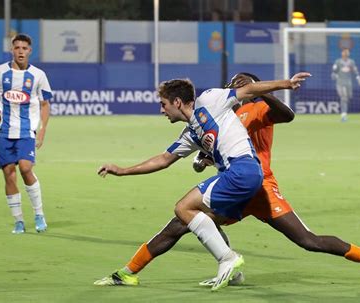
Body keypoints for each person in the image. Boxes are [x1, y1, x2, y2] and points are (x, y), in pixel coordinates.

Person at [94, 73, 360, 288]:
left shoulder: (251, 108)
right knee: (183, 220)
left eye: (240, 85)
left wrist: (276, 87)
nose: (234, 88)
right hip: (235, 182)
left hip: (258, 183)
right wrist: (201, 158)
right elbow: (166, 158)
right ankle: (129, 272)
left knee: (307, 241)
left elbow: (285, 115)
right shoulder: (206, 123)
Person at [96, 72, 311, 291]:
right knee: (190, 221)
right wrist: (122, 171)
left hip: (242, 172)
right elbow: (163, 160)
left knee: (183, 208)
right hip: (238, 177)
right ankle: (128, 273)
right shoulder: (191, 133)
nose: (161, 110)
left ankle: (227, 259)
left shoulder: (210, 100)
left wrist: (286, 83)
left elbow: (249, 90)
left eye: (163, 104)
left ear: (177, 102)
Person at [0, 33, 52, 234]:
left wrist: (42, 131)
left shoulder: (38, 75)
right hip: (2, 132)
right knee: (9, 175)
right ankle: (18, 220)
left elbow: (45, 104)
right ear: (12, 49)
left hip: (27, 131)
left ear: (30, 51)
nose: (20, 51)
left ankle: (39, 214)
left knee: (26, 169)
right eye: (17, 48)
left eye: (24, 48)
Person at [331, 48, 360, 122]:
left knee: (348, 97)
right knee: (343, 98)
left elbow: (355, 71)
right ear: (342, 53)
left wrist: (358, 78)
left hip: (348, 83)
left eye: (347, 52)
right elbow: (334, 71)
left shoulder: (351, 62)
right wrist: (334, 75)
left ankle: (344, 110)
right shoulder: (338, 62)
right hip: (340, 83)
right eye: (344, 52)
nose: (345, 53)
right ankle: (343, 115)